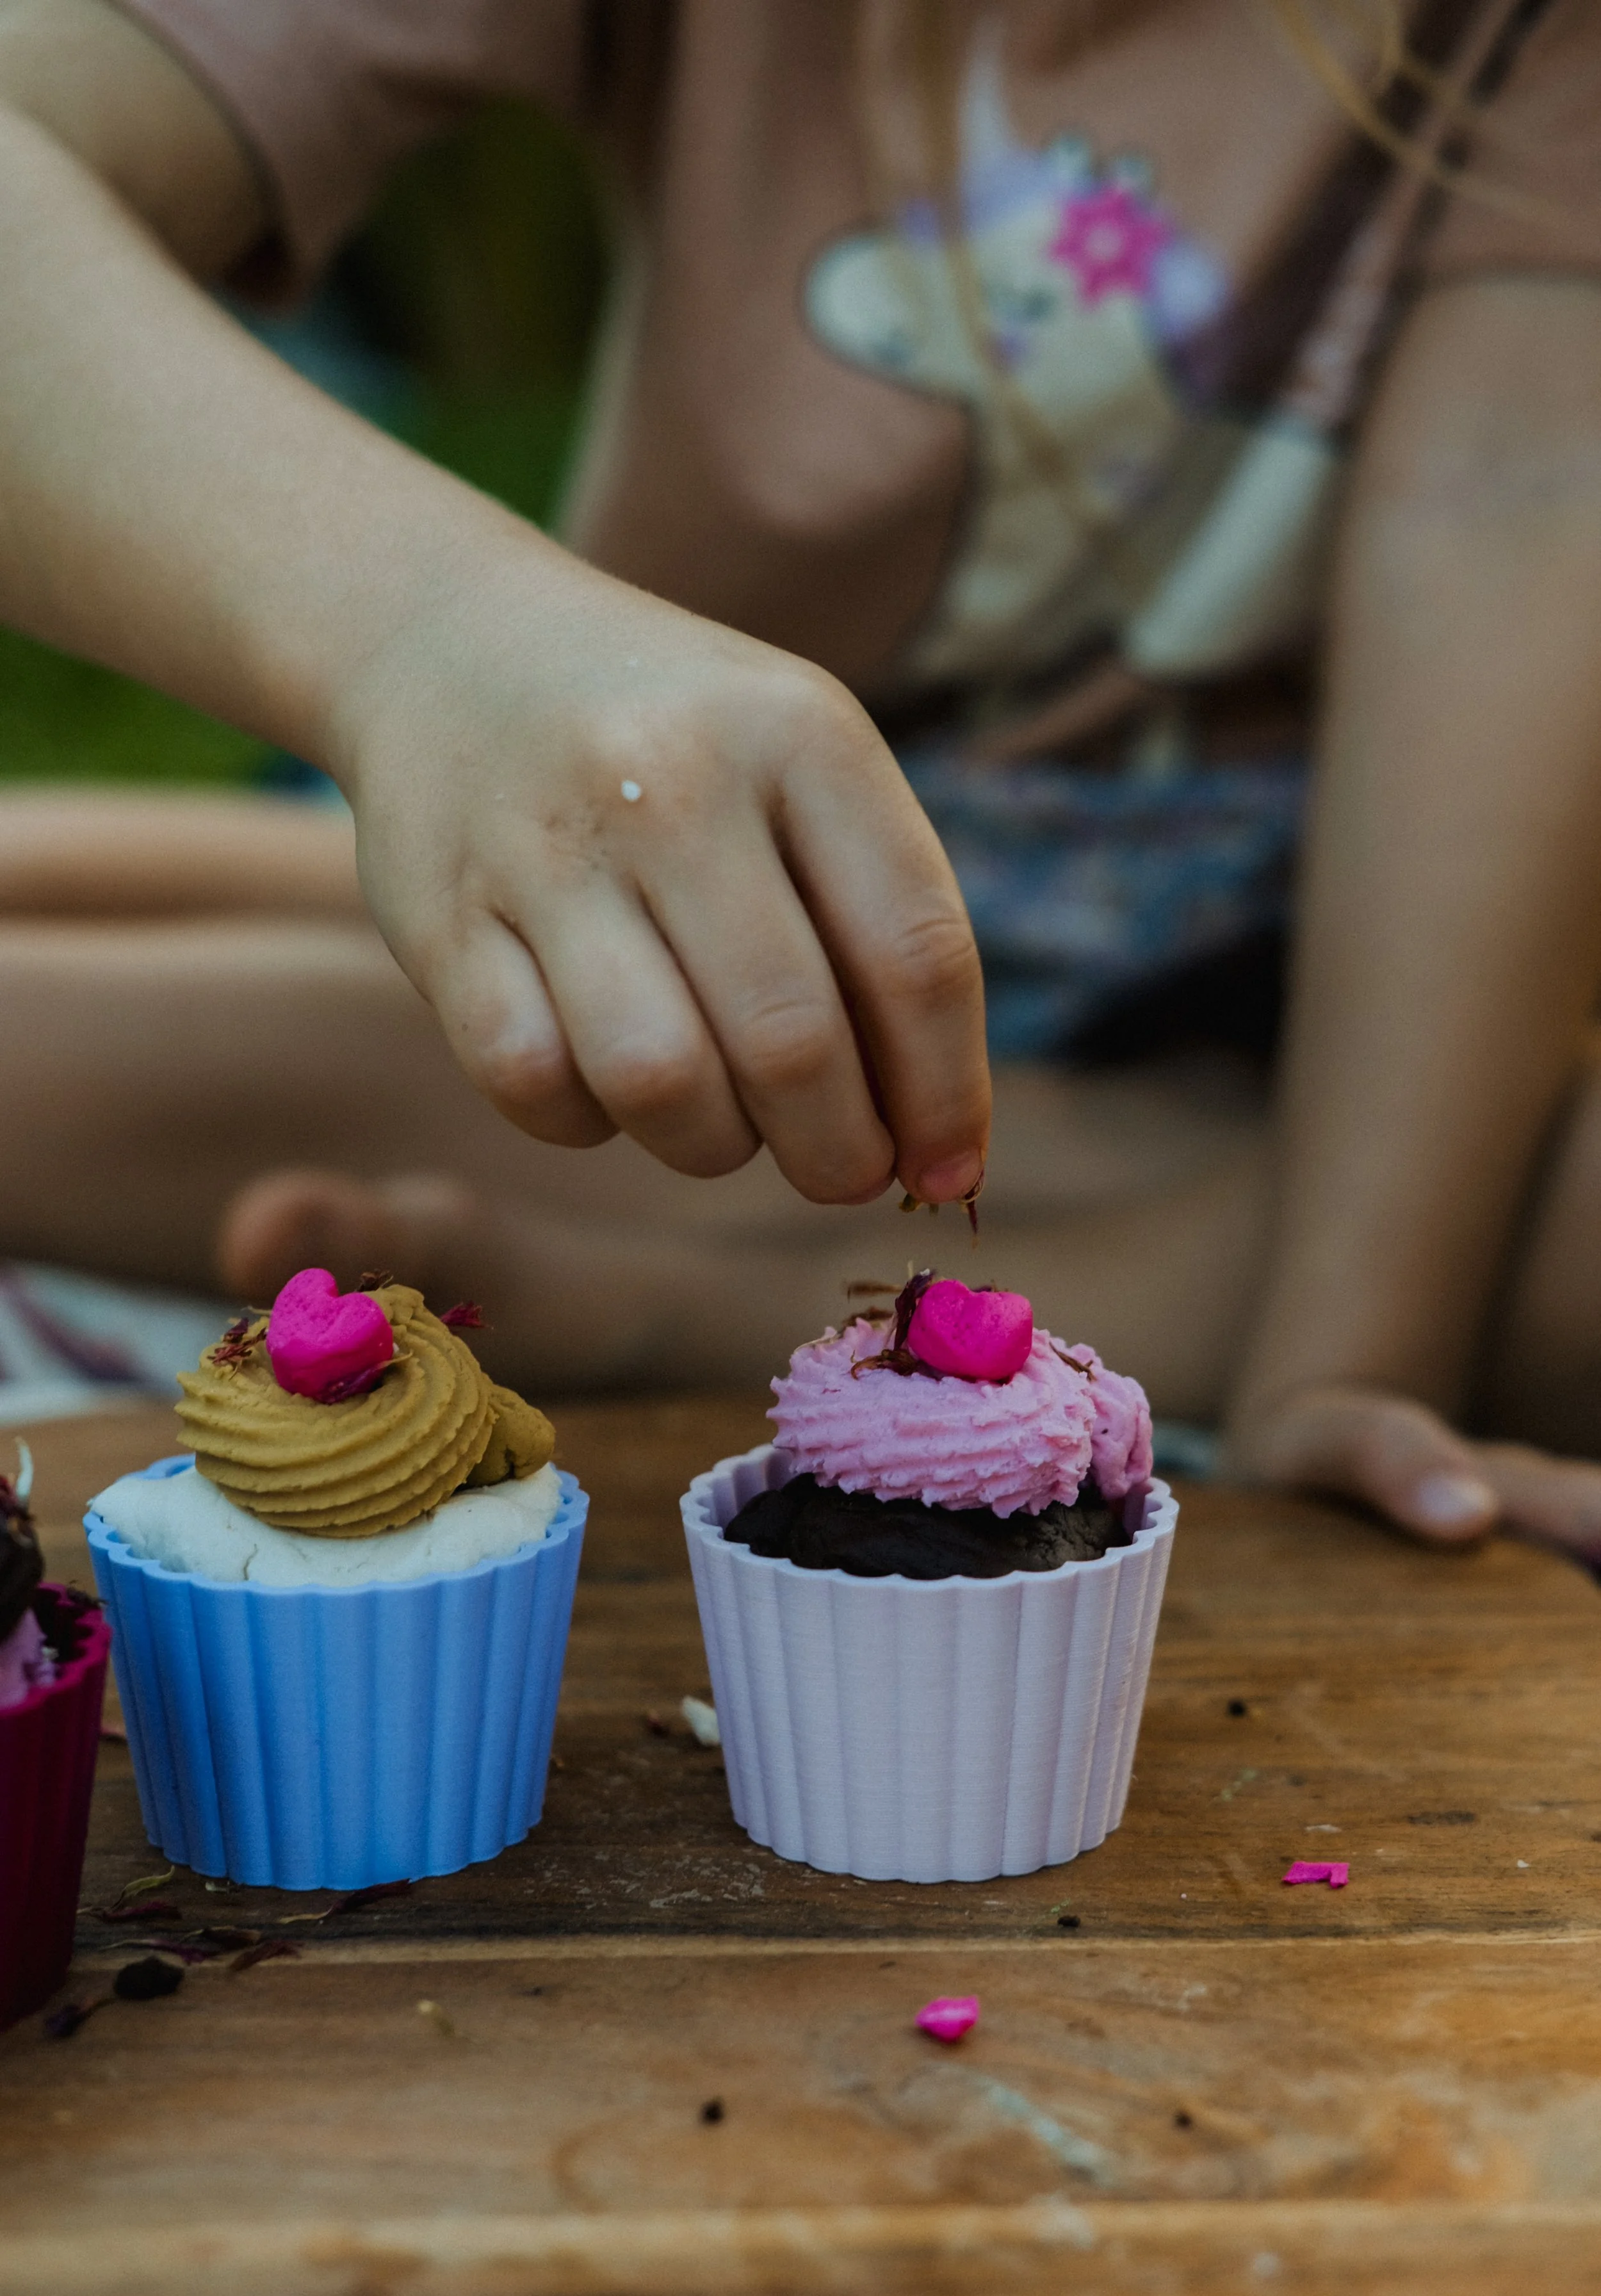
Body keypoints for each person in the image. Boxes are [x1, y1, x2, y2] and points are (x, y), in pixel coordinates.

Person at [2, 0, 1601, 1556]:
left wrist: (1345, 1359)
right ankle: (1123, 1199)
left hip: (1330, 972)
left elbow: (1517, 501)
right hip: (726, 894)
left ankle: (698, 1300)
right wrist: (427, 635)